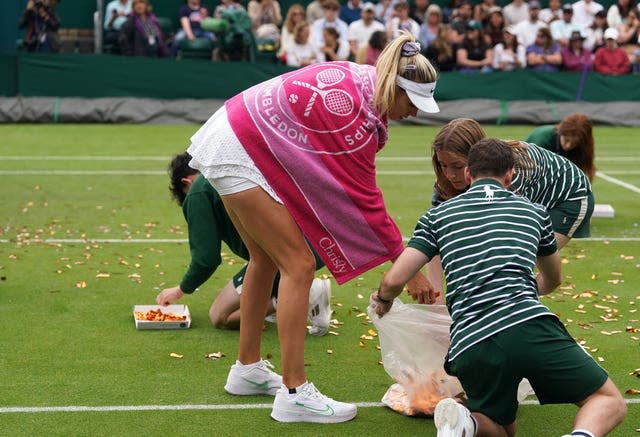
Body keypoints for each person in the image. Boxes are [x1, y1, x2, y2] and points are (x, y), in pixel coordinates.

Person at [185, 32, 439, 423]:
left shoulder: (361, 81)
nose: (416, 112)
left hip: (231, 134)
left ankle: (248, 369)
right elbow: (363, 200)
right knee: (299, 265)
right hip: (241, 147)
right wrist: (412, 272)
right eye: (412, 101)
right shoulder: (354, 114)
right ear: (393, 86)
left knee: (264, 259)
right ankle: (294, 393)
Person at [372, 137, 627, 437]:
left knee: (504, 430)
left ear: (468, 174)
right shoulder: (534, 212)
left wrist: (384, 300)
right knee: (608, 400)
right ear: (509, 175)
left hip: (469, 341)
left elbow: (393, 280)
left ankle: (466, 424)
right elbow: (553, 279)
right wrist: (526, 287)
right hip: (528, 325)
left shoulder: (436, 216)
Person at [157, 152, 331, 335]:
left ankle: (309, 294)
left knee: (221, 316)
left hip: (286, 255)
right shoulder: (236, 164)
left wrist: (182, 288)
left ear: (187, 182)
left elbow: (206, 259)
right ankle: (279, 295)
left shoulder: (198, 190)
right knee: (260, 272)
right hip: (318, 244)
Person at [426, 117, 595, 299]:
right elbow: (437, 235)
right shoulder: (445, 182)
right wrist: (437, 301)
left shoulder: (506, 174)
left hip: (569, 198)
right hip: (537, 193)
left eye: (458, 166)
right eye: (443, 165)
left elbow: (503, 241)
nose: (450, 174)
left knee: (518, 266)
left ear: (474, 159)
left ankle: (512, 304)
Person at [525, 113, 595, 181]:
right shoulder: (542, 140)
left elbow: (578, 175)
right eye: (566, 140)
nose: (568, 146)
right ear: (560, 133)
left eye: (574, 143)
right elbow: (532, 172)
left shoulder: (582, 147)